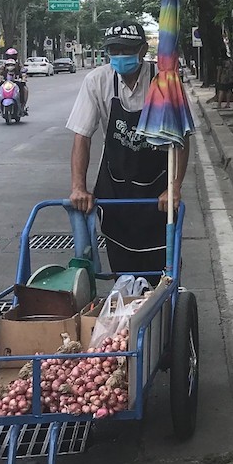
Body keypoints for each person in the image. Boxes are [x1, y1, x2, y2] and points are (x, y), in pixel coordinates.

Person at [65, 21, 187, 278]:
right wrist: (78, 187)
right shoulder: (97, 81)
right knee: (123, 268)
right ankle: (129, 311)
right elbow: (82, 136)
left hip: (156, 192)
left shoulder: (164, 81)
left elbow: (180, 139)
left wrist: (173, 187)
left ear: (143, 50)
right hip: (115, 188)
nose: (120, 56)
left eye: (127, 50)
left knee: (162, 266)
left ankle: (163, 308)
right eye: (114, 50)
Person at [0, 47, 29, 116]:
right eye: (9, 56)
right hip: (5, 82)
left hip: (17, 82)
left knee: (24, 89)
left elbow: (23, 72)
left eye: (13, 56)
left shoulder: (18, 64)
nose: (11, 57)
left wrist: (23, 78)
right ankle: (0, 105)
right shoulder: (4, 65)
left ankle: (22, 105)